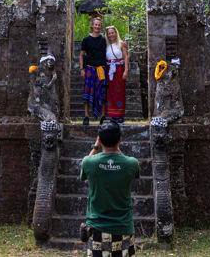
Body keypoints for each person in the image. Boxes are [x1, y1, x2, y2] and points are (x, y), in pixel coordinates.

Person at [80, 120, 139, 256]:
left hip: (97, 229)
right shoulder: (132, 163)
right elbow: (124, 161)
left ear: (99, 140)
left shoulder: (88, 162)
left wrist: (96, 145)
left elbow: (85, 171)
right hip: (123, 227)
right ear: (120, 140)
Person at [79, 17, 107, 125]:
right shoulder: (86, 40)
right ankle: (86, 116)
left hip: (101, 69)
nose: (97, 27)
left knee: (102, 93)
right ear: (92, 26)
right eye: (95, 25)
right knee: (87, 92)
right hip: (90, 69)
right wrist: (82, 69)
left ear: (101, 27)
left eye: (99, 25)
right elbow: (81, 55)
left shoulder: (104, 39)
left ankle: (103, 116)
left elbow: (114, 44)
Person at [105, 26, 129, 124]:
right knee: (111, 93)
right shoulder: (106, 46)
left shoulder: (121, 44)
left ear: (116, 33)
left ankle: (120, 116)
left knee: (120, 92)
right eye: (109, 33)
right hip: (110, 70)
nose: (111, 35)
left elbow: (126, 57)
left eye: (112, 33)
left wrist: (126, 70)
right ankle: (112, 115)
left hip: (119, 69)